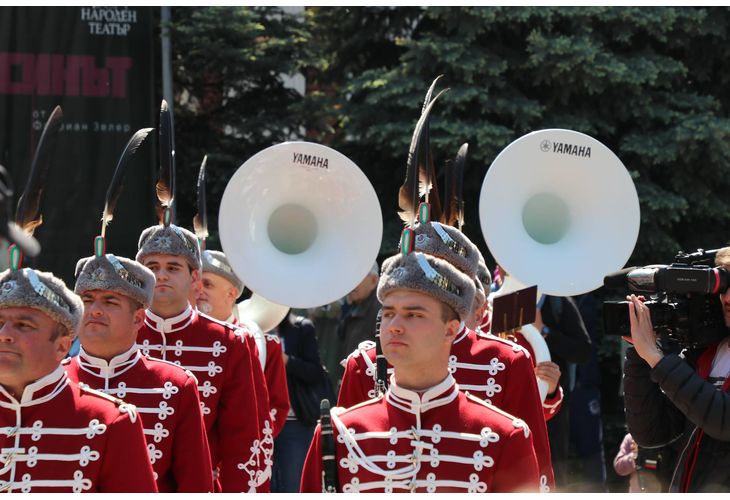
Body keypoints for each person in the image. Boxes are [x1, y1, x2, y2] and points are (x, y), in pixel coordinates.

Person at [337, 221, 555, 490]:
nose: (420, 276)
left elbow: (534, 467)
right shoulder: (365, 364)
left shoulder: (507, 360)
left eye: (435, 268)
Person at [64, 253, 213, 492]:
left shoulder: (175, 385)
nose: (95, 310)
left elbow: (195, 484)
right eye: (87, 300)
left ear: (138, 318)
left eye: (110, 302)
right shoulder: (50, 382)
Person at [134, 223, 266, 492]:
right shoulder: (120, 334)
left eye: (172, 267)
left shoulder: (230, 342)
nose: (161, 275)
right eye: (152, 267)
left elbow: (245, 440)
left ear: (194, 278)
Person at [0, 266, 157, 492]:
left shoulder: (110, 422)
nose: (4, 334)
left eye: (24, 325)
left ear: (62, 346)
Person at [624, 246, 730, 492]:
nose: (727, 298)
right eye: (725, 287)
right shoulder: (708, 351)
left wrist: (655, 358)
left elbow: (723, 420)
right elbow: (652, 433)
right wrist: (639, 352)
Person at [198, 249, 289, 439]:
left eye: (207, 284)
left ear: (231, 293)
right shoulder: (185, 339)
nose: (199, 291)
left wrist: (246, 440)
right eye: (196, 285)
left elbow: (276, 408)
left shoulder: (267, 345)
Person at [535, 293, 592, 488]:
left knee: (553, 469)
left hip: (553, 404)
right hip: (510, 398)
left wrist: (544, 331)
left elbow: (583, 351)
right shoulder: (497, 295)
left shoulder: (558, 301)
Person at [270, 311, 330, 492]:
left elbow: (315, 372)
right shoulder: (249, 326)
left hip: (294, 422)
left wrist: (287, 361)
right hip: (263, 423)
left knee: (294, 485)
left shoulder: (301, 327)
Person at [318, 262, 380, 389]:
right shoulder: (357, 304)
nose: (350, 284)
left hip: (367, 387)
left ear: (373, 281)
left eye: (357, 278)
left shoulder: (381, 310)